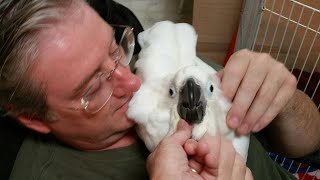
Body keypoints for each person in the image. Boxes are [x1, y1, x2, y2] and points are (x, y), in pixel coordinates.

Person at [0, 0, 319, 179]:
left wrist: (284, 99)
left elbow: (310, 144)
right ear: (34, 118)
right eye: (94, 86)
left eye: (114, 47)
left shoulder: (162, 60)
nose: (131, 80)